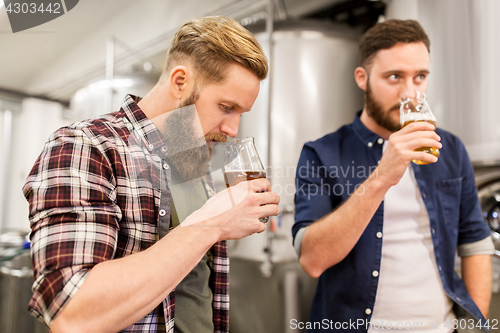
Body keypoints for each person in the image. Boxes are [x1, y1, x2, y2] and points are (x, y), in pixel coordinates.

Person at [23, 16, 280, 333]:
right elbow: (73, 314)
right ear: (180, 82)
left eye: (241, 113)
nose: (232, 129)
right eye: (226, 107)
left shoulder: (191, 159)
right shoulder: (87, 146)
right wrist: (212, 224)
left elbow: (194, 288)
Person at [293, 19, 494, 332]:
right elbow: (312, 260)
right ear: (363, 78)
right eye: (395, 77)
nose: (409, 93)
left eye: (420, 77)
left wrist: (475, 326)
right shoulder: (322, 154)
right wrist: (381, 177)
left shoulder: (450, 148)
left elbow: (475, 243)